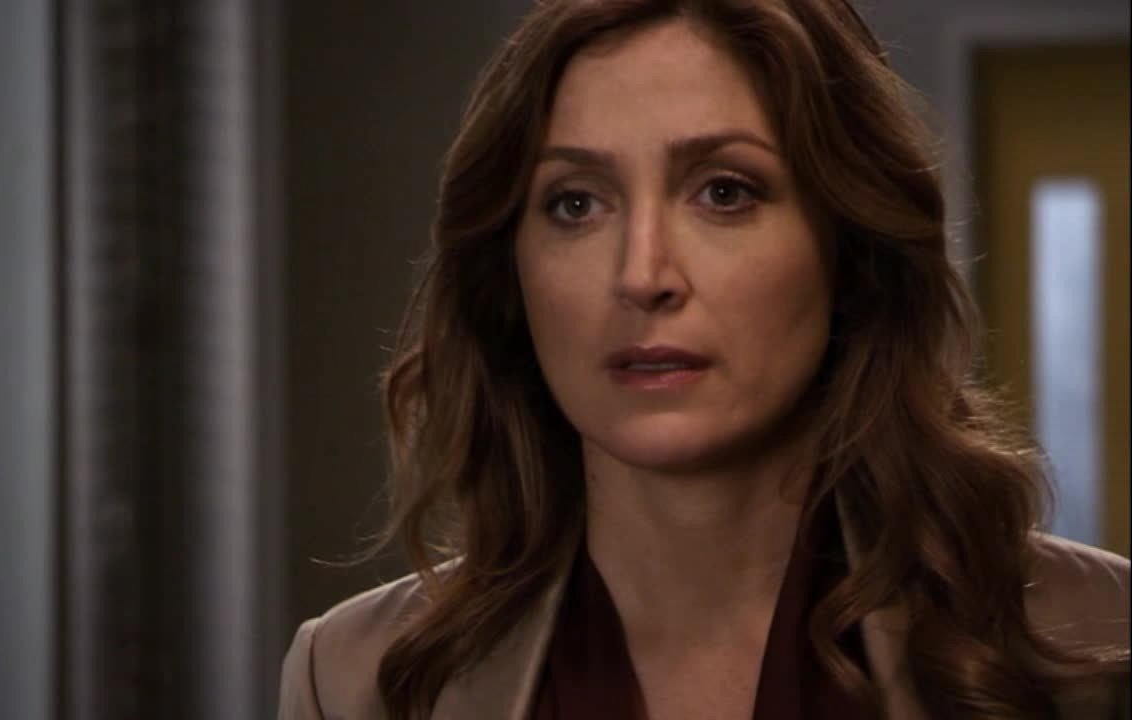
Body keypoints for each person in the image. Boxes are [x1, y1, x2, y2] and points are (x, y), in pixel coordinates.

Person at [278, 1, 1131, 718]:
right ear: (510, 274)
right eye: (576, 204)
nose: (642, 275)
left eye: (725, 192)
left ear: (849, 250)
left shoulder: (1098, 640)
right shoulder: (356, 680)